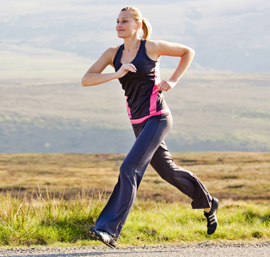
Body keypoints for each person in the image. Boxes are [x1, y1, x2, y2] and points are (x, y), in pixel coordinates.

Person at [81, 6, 218, 248]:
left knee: (129, 168)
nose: (119, 25)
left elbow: (188, 52)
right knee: (168, 171)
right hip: (138, 123)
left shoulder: (151, 47)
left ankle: (108, 230)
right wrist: (116, 74)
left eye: (124, 21)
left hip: (158, 118)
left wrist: (173, 80)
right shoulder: (113, 53)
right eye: (117, 21)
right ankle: (207, 201)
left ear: (137, 24)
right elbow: (87, 79)